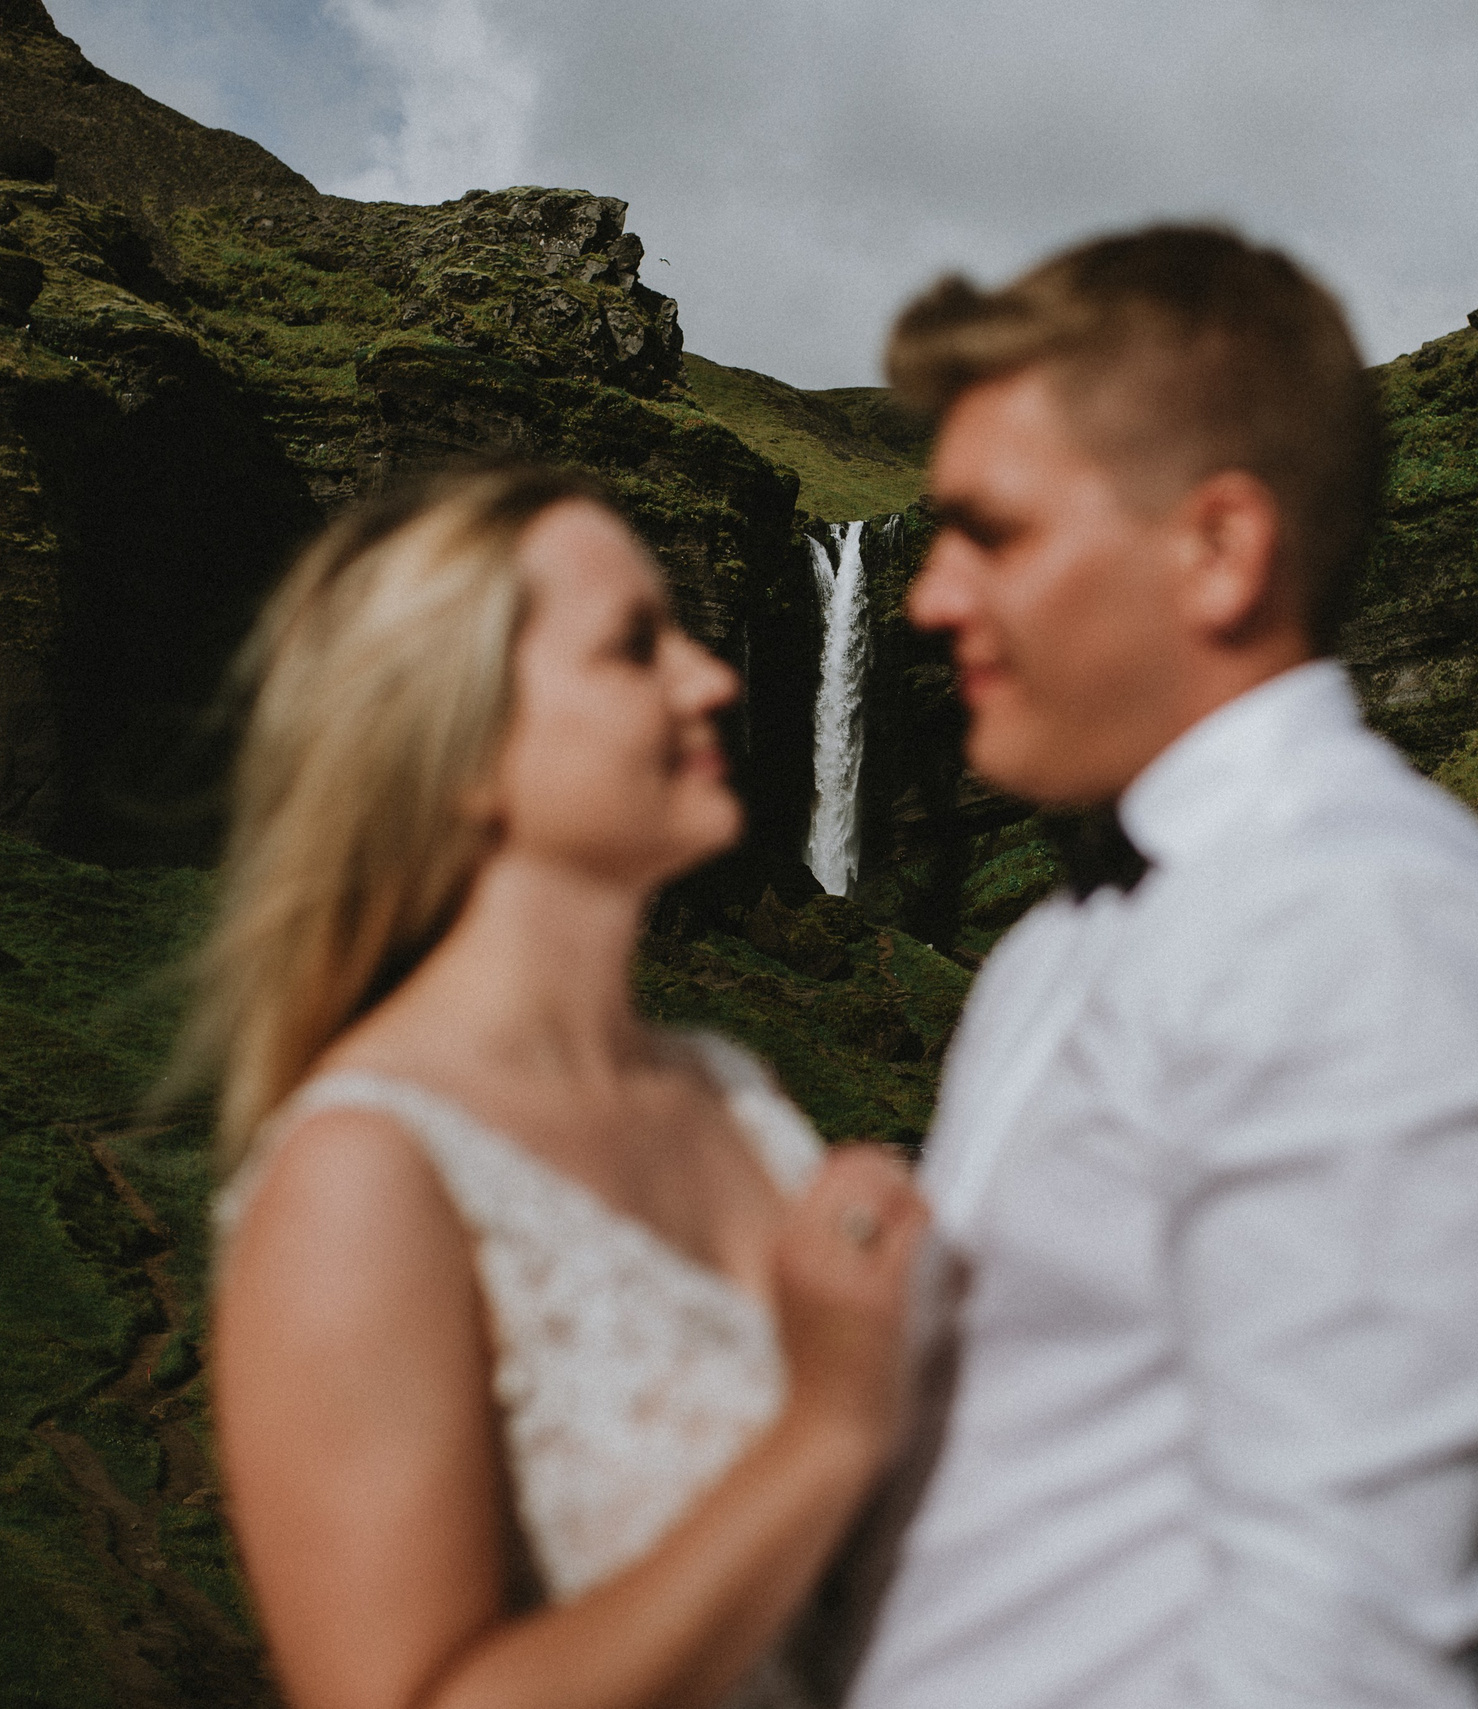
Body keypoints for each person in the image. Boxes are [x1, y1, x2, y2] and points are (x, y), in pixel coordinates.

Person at [843, 228, 1478, 1708]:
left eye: (991, 532)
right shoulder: (1060, 941)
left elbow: (1338, 1661)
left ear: (1218, 548)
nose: (929, 598)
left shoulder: (1381, 941)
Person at [177, 464, 929, 1709]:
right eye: (635, 648)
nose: (713, 680)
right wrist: (829, 1431)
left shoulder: (731, 1091)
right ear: (462, 745)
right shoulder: (361, 1172)